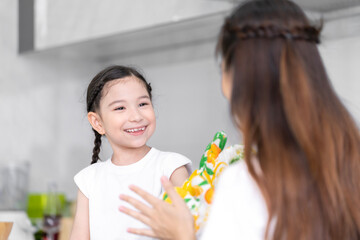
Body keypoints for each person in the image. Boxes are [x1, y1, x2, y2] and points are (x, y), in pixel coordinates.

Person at [118, 0, 360, 239]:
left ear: (236, 78)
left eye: (223, 66)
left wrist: (182, 235)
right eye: (120, 108)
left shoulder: (246, 183)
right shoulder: (349, 157)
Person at [70, 65, 192, 240]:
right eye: (120, 108)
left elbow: (190, 228)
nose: (136, 116)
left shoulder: (172, 167)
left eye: (142, 104)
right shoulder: (89, 180)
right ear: (97, 122)